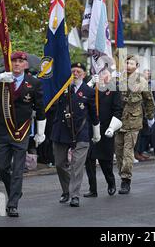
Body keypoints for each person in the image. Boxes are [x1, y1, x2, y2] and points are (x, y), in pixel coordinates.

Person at [0, 51, 46, 217]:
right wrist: (2, 76)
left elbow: (40, 109)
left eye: (20, 61)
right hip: (2, 130)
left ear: (25, 64)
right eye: (14, 61)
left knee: (18, 169)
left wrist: (40, 132)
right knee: (3, 168)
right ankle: (14, 191)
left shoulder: (34, 83)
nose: (17, 64)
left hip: (21, 131)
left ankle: (12, 204)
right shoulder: (3, 79)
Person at [51, 62, 99, 207]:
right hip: (61, 131)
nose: (75, 73)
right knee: (59, 164)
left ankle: (74, 195)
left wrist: (96, 132)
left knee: (77, 165)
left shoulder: (89, 91)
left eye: (79, 71)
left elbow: (93, 113)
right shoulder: (62, 89)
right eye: (73, 71)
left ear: (84, 75)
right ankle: (66, 190)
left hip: (81, 132)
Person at [116, 55, 155, 193]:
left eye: (131, 63)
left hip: (133, 121)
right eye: (126, 63)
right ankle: (122, 174)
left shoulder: (141, 81)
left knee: (128, 151)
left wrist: (150, 116)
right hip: (117, 121)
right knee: (119, 151)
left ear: (137, 66)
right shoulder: (118, 79)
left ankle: (126, 180)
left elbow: (149, 99)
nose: (128, 65)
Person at [84, 69, 123, 197]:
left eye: (105, 74)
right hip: (91, 128)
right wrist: (89, 85)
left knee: (105, 161)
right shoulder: (91, 89)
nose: (103, 76)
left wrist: (112, 127)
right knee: (89, 160)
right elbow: (81, 98)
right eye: (100, 74)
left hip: (106, 128)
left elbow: (118, 110)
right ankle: (92, 189)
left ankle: (111, 183)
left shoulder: (113, 89)